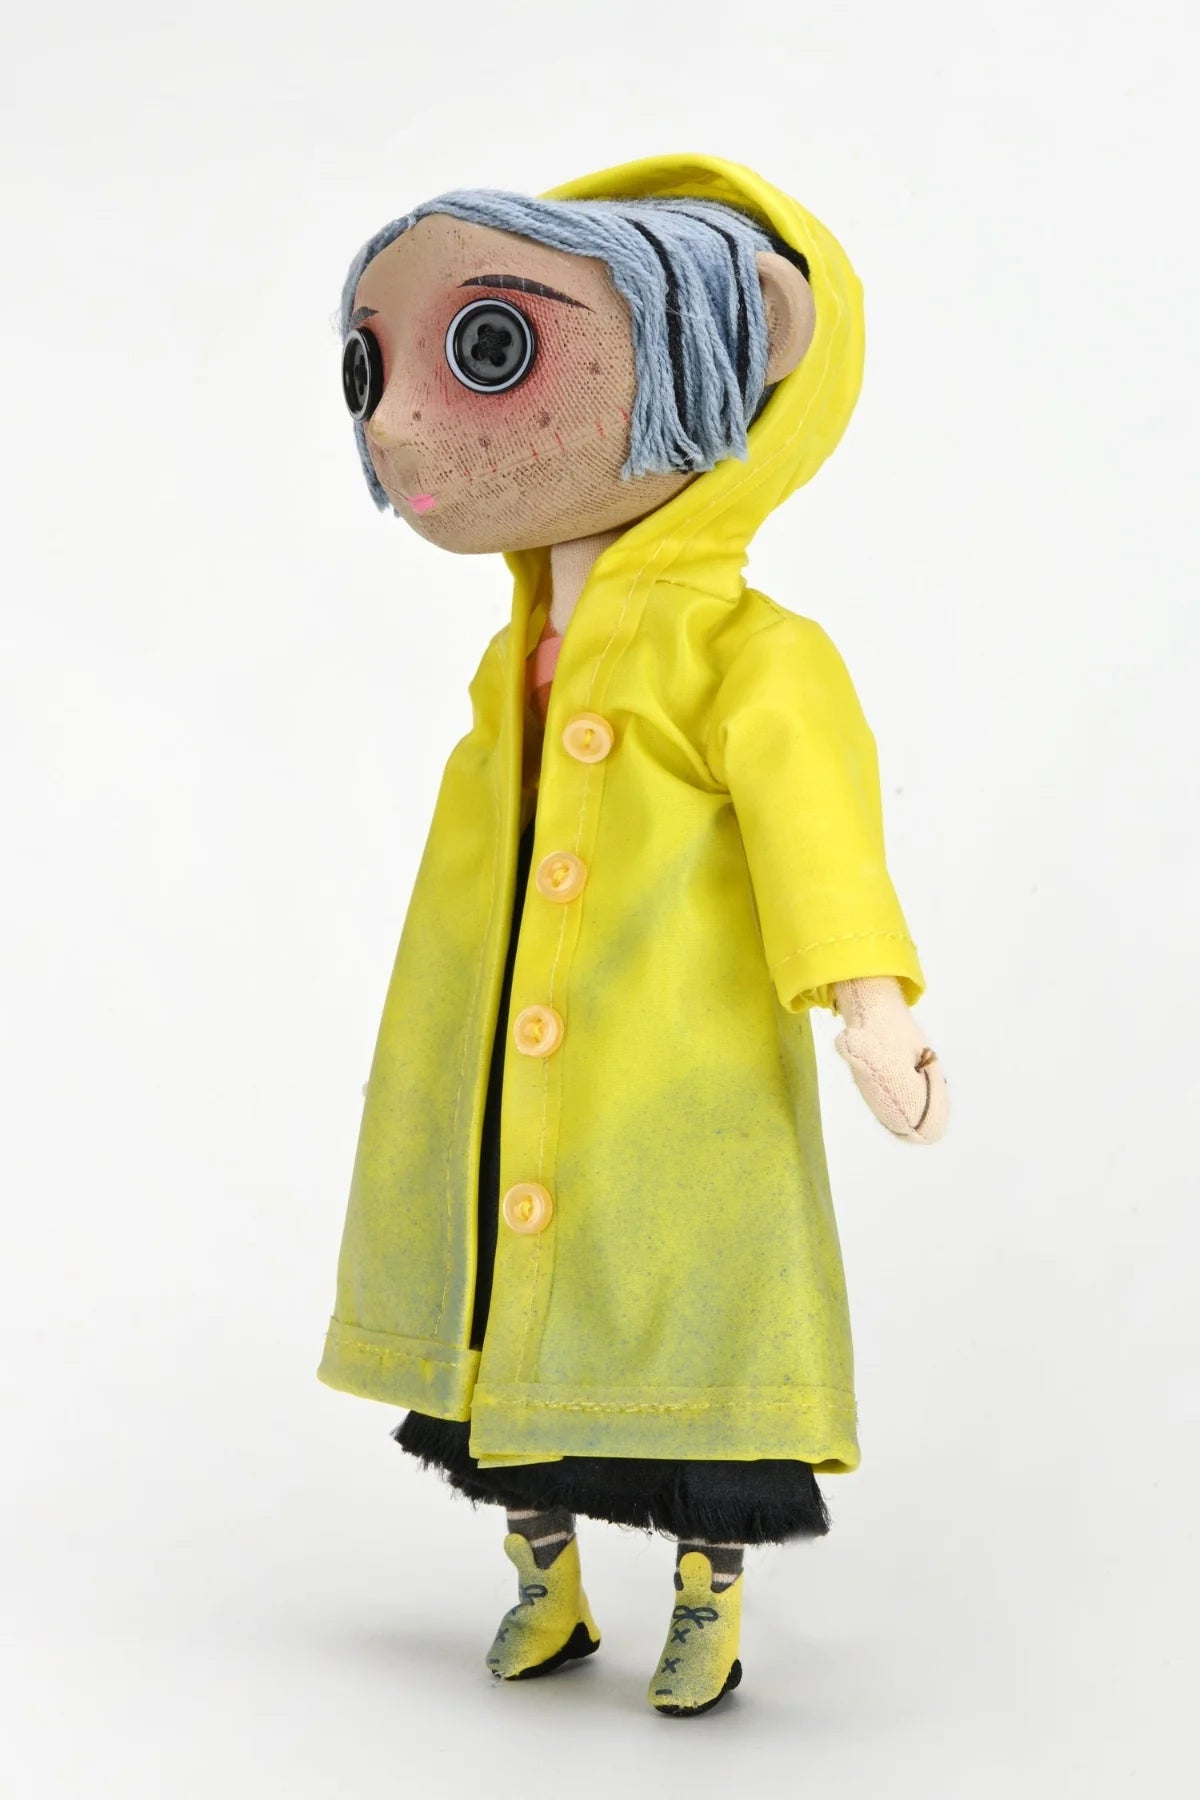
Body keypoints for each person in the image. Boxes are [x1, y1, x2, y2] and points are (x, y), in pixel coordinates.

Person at [319, 153, 948, 1717]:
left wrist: (869, 1002)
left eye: (489, 350)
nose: (397, 424)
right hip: (499, 1075)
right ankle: (545, 1585)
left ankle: (706, 1599)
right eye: (372, 368)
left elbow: (817, 832)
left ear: (749, 343)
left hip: (675, 1075)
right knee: (494, 1340)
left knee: (686, 1341)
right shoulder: (515, 657)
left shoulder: (752, 654)